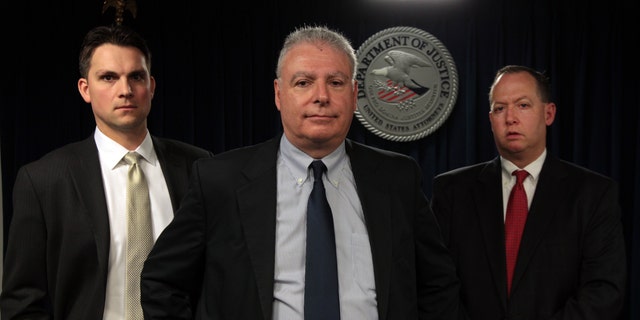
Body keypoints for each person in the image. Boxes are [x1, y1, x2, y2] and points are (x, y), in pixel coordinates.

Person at [140, 25, 464, 319]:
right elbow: (162, 282)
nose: (321, 96)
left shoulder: (398, 179)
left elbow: (438, 285)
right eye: (303, 82)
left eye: (336, 83)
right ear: (279, 94)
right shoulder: (218, 180)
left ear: (354, 96)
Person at [0, 24, 213, 319]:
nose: (125, 90)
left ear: (151, 86)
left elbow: (220, 280)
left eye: (136, 77)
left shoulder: (199, 168)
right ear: (85, 89)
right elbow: (20, 303)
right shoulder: (43, 180)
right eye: (109, 78)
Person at [430, 65, 627, 319]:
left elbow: (604, 291)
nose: (510, 117)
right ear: (491, 120)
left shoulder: (594, 194)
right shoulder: (451, 191)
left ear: (548, 113)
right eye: (500, 108)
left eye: (523, 105)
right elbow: (435, 284)